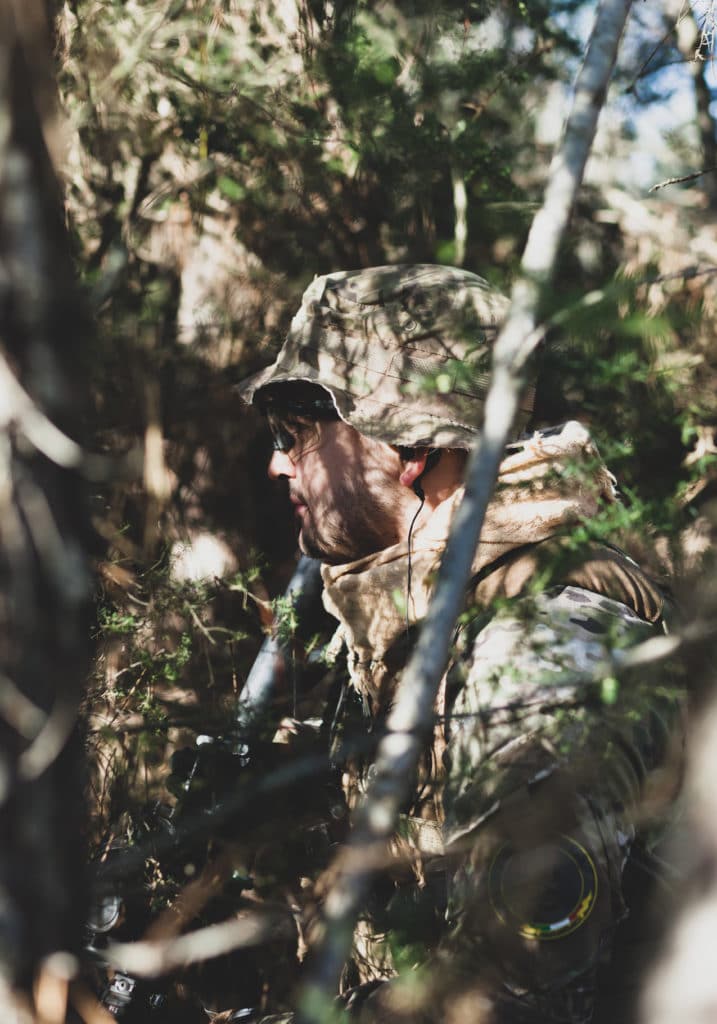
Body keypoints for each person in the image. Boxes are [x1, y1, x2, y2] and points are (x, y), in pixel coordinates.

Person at [239, 264, 682, 1023]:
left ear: (408, 449)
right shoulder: (423, 616)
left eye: (295, 434)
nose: (276, 462)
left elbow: (511, 1000)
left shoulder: (528, 657)